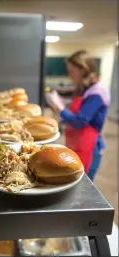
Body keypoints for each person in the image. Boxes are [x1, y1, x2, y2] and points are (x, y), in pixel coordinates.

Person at [45, 50, 110, 181]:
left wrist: (59, 107)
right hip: (76, 141)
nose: (70, 76)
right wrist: (61, 102)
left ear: (83, 70)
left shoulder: (97, 92)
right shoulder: (85, 87)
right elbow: (78, 109)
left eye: (72, 72)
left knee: (82, 181)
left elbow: (79, 121)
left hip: (89, 146)